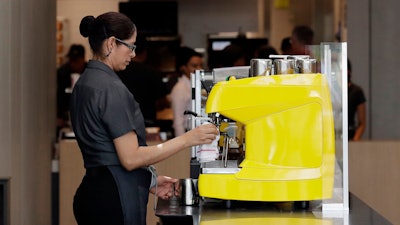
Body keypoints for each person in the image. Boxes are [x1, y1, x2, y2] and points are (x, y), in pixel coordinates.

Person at [70, 12, 218, 225]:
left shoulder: (85, 83)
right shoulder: (111, 88)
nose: (133, 54)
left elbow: (107, 152)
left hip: (92, 192)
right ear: (112, 43)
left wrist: (151, 180)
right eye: (130, 46)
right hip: (114, 197)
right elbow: (130, 158)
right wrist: (189, 138)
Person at [117, 35, 168, 127]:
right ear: (145, 52)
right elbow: (162, 102)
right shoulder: (151, 72)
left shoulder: (118, 71)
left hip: (123, 123)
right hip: (147, 122)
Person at [170, 46, 204, 137]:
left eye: (201, 65)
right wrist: (182, 145)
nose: (199, 69)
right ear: (183, 68)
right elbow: (178, 121)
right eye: (194, 66)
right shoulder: (180, 89)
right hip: (187, 133)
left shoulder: (197, 85)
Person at [56, 44, 87, 130]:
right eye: (71, 60)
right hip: (65, 116)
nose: (73, 64)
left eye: (76, 61)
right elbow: (58, 96)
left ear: (82, 59)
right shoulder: (62, 73)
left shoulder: (90, 73)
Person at [347, 59, 366, 141]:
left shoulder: (356, 91)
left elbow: (362, 122)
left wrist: (355, 139)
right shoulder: (329, 89)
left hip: (350, 133)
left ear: (349, 71)